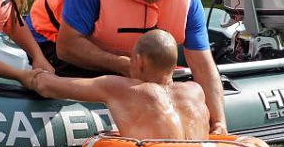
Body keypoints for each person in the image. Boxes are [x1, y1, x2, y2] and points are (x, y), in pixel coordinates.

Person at [27, 0, 227, 134]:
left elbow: (203, 64)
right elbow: (66, 48)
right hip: (54, 41)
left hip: (133, 60)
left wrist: (219, 123)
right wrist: (122, 66)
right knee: (116, 87)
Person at [32, 29, 210, 140]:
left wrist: (37, 70)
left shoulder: (122, 89)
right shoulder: (196, 91)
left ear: (138, 61)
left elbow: (46, 86)